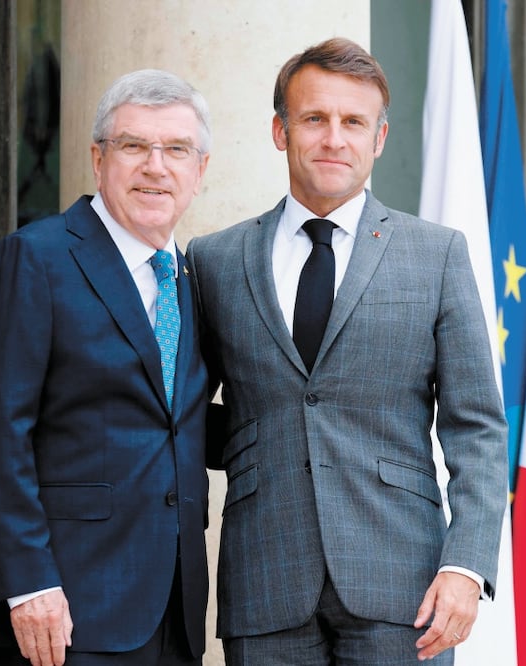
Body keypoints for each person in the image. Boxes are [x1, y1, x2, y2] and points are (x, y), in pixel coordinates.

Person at [188, 37, 507, 665]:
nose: (334, 138)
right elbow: (188, 416)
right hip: (266, 577)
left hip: (406, 586)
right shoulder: (214, 260)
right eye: (315, 119)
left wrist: (467, 566)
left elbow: (478, 429)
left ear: (379, 138)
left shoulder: (437, 254)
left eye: (353, 122)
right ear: (280, 131)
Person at [0, 69, 213, 666]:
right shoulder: (35, 258)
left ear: (199, 171)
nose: (156, 166)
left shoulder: (191, 277)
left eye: (176, 149)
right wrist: (28, 583)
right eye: (134, 146)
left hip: (174, 610)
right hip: (64, 608)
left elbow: (183, 421)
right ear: (98, 159)